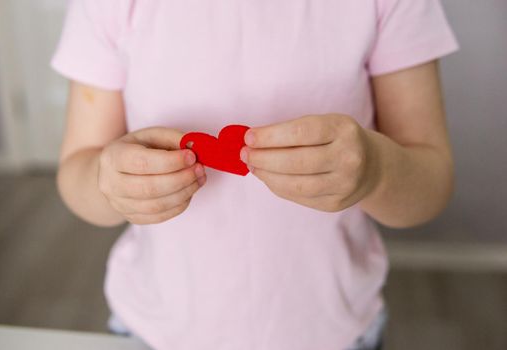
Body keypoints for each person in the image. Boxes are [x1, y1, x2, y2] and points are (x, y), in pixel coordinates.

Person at [51, 0, 459, 349]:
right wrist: (110, 182)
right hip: (155, 329)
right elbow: (77, 171)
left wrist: (377, 169)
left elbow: (432, 183)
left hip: (336, 332)